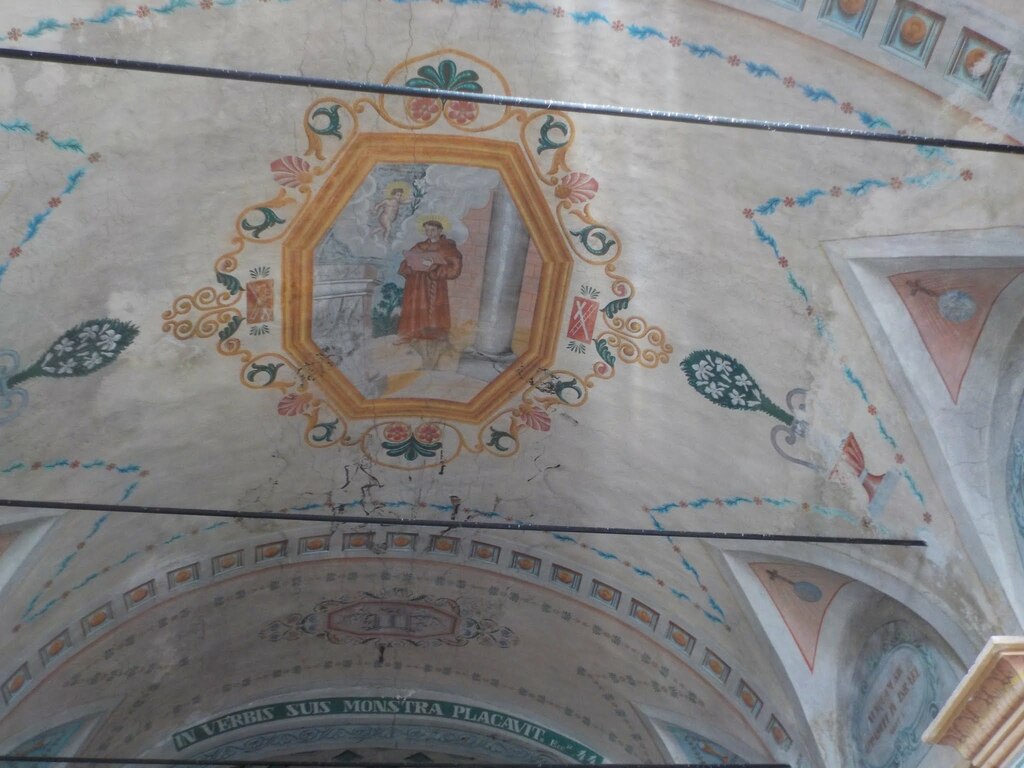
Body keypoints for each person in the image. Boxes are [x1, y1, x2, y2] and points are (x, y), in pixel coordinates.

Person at [396, 220, 463, 368]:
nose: (429, 233)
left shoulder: (447, 247)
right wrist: (411, 263)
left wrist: (434, 267)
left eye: (432, 230)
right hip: (417, 285)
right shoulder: (420, 246)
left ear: (440, 230)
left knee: (433, 314)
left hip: (435, 285)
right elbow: (405, 263)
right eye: (427, 230)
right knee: (417, 309)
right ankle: (416, 339)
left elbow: (454, 269)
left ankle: (432, 347)